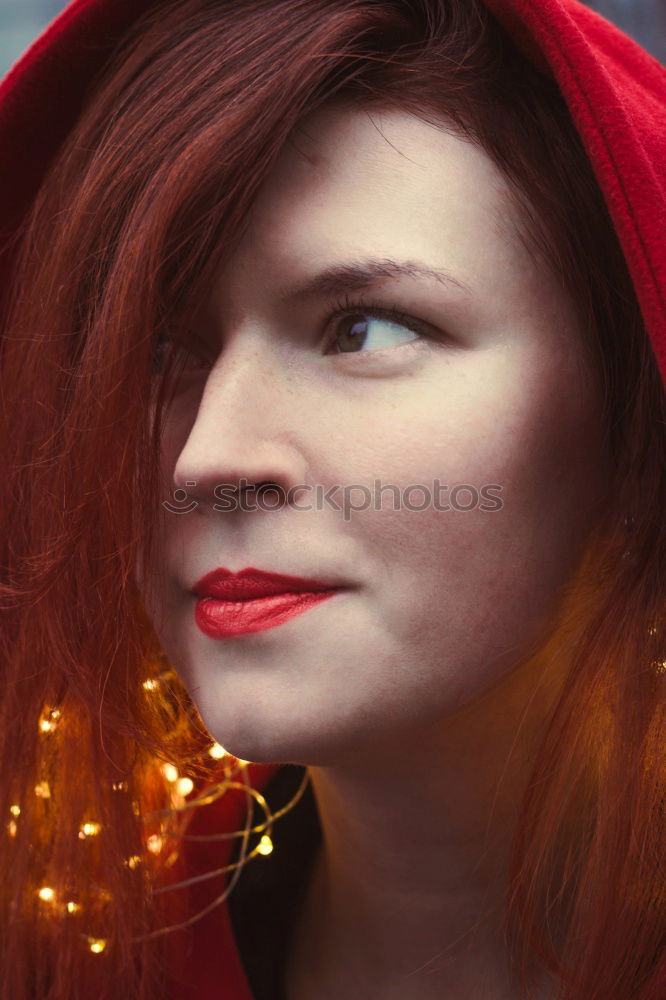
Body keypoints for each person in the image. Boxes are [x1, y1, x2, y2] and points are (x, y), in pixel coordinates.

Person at [0, 0, 664, 998]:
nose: (207, 458)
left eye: (365, 331)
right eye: (157, 350)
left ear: (635, 398)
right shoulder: (59, 954)